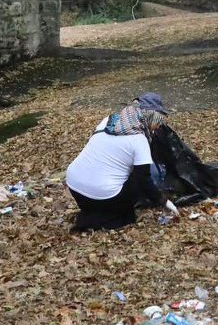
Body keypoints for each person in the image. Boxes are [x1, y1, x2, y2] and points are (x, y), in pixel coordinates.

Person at [65, 93, 178, 232]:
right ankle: (108, 217)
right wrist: (164, 201)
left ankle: (93, 212)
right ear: (149, 118)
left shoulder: (108, 120)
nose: (157, 127)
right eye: (157, 122)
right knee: (143, 175)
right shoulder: (138, 139)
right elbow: (145, 181)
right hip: (105, 194)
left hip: (74, 185)